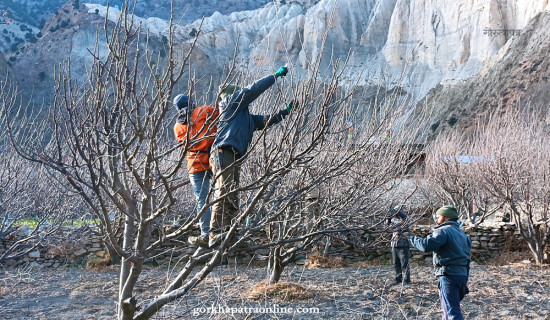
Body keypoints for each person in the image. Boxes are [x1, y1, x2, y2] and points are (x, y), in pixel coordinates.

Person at [208, 66, 293, 248]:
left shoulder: (244, 116)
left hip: (234, 155)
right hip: (224, 151)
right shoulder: (230, 104)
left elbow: (265, 121)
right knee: (223, 192)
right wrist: (274, 77)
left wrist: (285, 112)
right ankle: (215, 233)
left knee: (232, 194)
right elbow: (252, 90)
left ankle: (227, 231)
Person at [409, 205, 471, 320]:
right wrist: (464, 281)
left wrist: (410, 237)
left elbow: (425, 245)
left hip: (449, 276)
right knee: (448, 313)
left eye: (438, 217)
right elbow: (468, 260)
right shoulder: (463, 234)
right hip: (461, 276)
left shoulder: (443, 231)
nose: (436, 220)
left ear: (446, 218)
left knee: (452, 314)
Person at [173, 94, 219, 248]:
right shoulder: (204, 110)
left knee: (202, 200)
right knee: (222, 195)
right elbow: (225, 115)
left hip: (194, 164)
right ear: (191, 102)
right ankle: (221, 229)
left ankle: (206, 233)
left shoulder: (177, 127)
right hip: (215, 159)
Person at [387, 205, 410, 285]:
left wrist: (397, 211)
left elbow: (405, 218)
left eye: (398, 211)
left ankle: (407, 280)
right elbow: (387, 225)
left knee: (404, 263)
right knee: (396, 263)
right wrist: (389, 216)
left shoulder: (405, 218)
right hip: (394, 243)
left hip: (403, 243)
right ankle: (398, 279)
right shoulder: (393, 219)